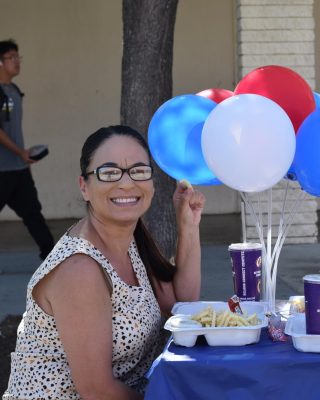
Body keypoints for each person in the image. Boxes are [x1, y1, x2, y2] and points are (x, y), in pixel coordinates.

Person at [3, 125, 205, 399]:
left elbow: (182, 303)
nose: (126, 182)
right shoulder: (80, 269)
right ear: (84, 187)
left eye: (138, 170)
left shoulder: (130, 241)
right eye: (109, 172)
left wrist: (188, 225)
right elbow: (97, 390)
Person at [0, 39, 55, 259]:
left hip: (18, 169)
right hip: (2, 171)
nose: (17, 61)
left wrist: (23, 159)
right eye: (11, 57)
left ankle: (52, 258)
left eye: (17, 57)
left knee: (33, 213)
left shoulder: (13, 90)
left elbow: (11, 129)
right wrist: (20, 153)